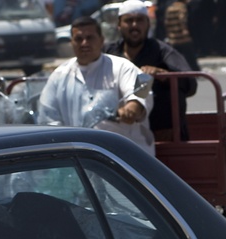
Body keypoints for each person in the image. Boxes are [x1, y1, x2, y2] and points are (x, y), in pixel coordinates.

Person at [37, 16, 155, 155]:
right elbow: (48, 119)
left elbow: (142, 89)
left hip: (125, 157)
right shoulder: (59, 75)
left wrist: (133, 106)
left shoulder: (123, 67)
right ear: (71, 43)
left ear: (101, 40)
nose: (84, 43)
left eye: (90, 37)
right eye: (79, 39)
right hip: (78, 157)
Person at [104, 0, 197, 142]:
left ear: (148, 23)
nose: (134, 26)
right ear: (119, 24)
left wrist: (162, 75)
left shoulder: (162, 51)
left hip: (161, 136)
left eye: (140, 20)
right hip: (118, 135)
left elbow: (191, 84)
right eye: (129, 21)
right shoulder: (109, 54)